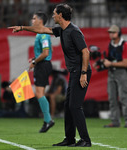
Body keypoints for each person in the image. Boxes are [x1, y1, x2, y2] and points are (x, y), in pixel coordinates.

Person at [9, 3, 92, 147]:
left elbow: (86, 52)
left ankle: (86, 140)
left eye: (54, 13)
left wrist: (84, 73)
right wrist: (22, 27)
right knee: (68, 106)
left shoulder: (74, 31)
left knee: (75, 106)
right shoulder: (62, 30)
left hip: (81, 72)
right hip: (74, 72)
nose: (52, 16)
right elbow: (41, 29)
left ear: (60, 15)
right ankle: (70, 139)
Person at [28, 11, 54, 133]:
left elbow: (45, 53)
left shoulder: (43, 34)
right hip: (43, 64)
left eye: (34, 18)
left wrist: (34, 62)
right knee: (40, 93)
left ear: (40, 20)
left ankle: (48, 120)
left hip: (43, 65)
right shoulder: (41, 34)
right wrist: (34, 59)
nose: (32, 21)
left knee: (39, 93)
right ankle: (46, 121)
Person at [103, 25, 127, 128]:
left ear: (118, 33)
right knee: (112, 98)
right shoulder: (110, 45)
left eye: (113, 32)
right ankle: (115, 121)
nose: (111, 34)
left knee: (124, 98)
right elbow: (108, 59)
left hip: (121, 73)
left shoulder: (125, 45)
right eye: (110, 32)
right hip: (111, 73)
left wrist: (110, 64)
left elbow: (125, 63)